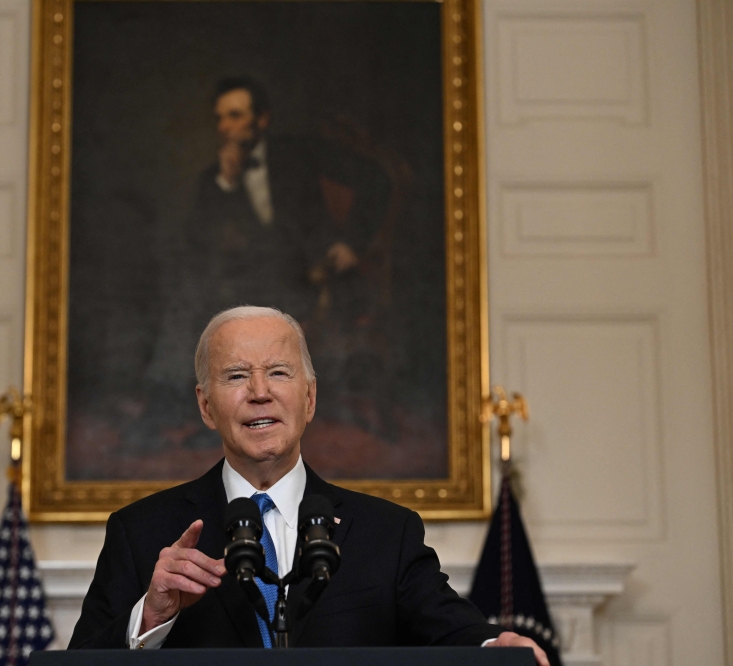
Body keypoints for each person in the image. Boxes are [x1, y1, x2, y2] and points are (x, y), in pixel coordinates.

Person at [68, 306, 550, 665]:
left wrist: (496, 647)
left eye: (278, 373)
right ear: (206, 406)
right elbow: (81, 660)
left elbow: (450, 628)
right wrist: (150, 616)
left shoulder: (385, 533)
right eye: (237, 375)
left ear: (310, 397)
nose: (260, 392)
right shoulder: (142, 532)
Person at [184, 77, 390, 324]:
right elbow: (200, 247)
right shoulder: (213, 180)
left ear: (262, 119)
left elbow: (376, 179)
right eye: (219, 118)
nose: (224, 126)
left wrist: (352, 242)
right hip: (252, 300)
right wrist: (226, 183)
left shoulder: (299, 152)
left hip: (319, 281)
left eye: (235, 115)